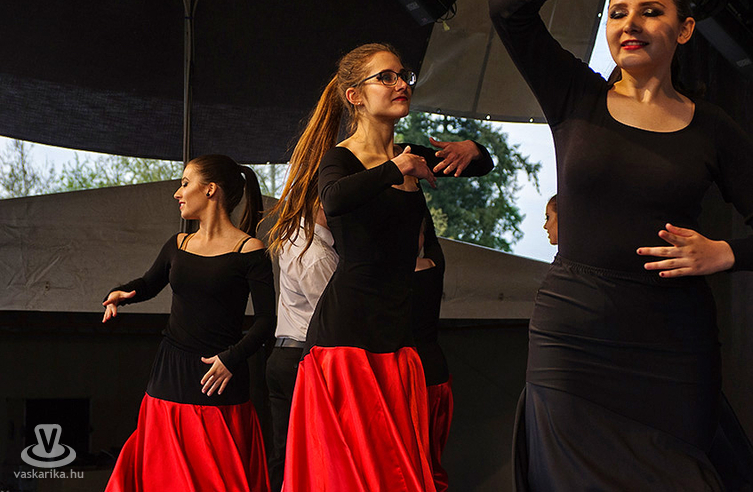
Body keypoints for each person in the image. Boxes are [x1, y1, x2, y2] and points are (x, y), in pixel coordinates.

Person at [489, 0, 753, 489]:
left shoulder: (712, 128)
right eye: (618, 13)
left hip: (673, 350)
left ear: (685, 29)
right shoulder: (576, 96)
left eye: (650, 11)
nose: (629, 24)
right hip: (573, 345)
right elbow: (506, 8)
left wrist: (723, 254)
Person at [271, 42, 493, 492]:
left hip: (398, 339)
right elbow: (334, 198)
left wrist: (472, 147)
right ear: (355, 95)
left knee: (400, 474)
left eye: (403, 75)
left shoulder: (412, 154)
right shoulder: (341, 157)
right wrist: (396, 168)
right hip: (347, 340)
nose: (400, 84)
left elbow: (483, 165)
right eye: (386, 77)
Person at [101, 154, 275, 492]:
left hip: (218, 379)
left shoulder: (250, 250)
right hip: (169, 374)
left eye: (184, 183)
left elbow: (267, 321)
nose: (177, 193)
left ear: (210, 189)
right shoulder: (178, 244)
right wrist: (122, 293)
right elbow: (148, 284)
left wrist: (231, 358)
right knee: (162, 476)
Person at [265, 204, 338, 492]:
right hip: (302, 358)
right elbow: (333, 316)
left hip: (283, 353)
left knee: (284, 451)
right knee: (311, 453)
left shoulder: (294, 236)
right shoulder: (316, 253)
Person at [412, 209, 452, 492]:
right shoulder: (434, 266)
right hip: (435, 371)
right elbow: (434, 240)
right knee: (431, 462)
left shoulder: (382, 274)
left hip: (408, 375)